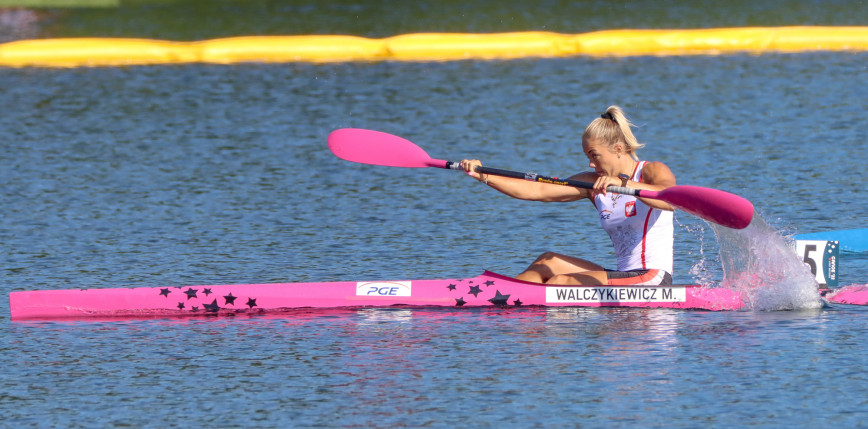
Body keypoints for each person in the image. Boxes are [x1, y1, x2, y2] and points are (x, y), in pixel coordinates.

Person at [460, 106, 676, 286]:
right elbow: (537, 190)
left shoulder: (651, 171)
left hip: (652, 278)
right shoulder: (593, 183)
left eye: (595, 155)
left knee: (561, 281)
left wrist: (623, 182)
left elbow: (669, 200)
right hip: (624, 277)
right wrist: (483, 175)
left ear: (618, 148)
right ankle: (504, 300)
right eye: (587, 156)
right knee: (548, 261)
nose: (591, 164)